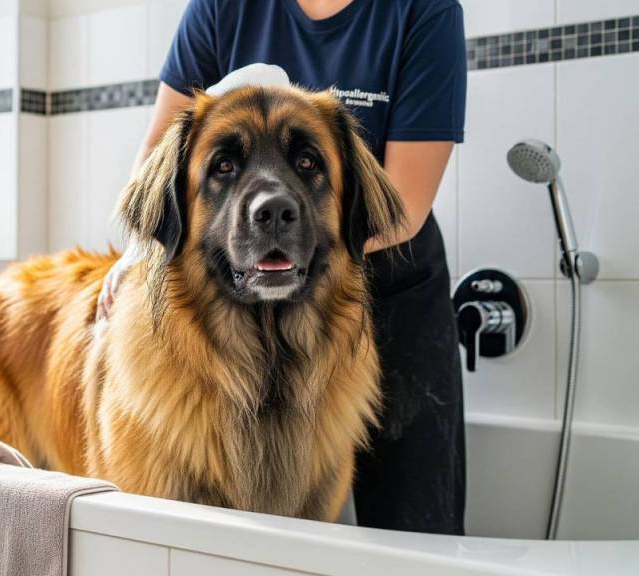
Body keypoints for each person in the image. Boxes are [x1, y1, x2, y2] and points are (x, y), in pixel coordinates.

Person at [97, 0, 467, 535]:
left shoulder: (423, 10)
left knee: (419, 536)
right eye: (229, 163)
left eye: (305, 162)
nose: (270, 203)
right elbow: (163, 155)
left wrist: (307, 250)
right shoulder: (222, 7)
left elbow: (403, 203)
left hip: (387, 291)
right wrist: (139, 253)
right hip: (237, 313)